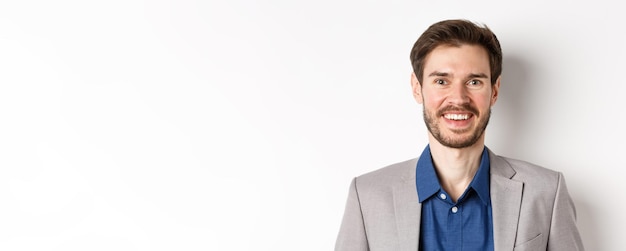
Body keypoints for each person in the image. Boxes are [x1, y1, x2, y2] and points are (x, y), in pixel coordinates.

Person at [334, 19, 584, 251]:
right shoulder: (366, 196)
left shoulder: (546, 191)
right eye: (441, 81)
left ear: (494, 91)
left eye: (474, 82)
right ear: (417, 88)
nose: (458, 98)